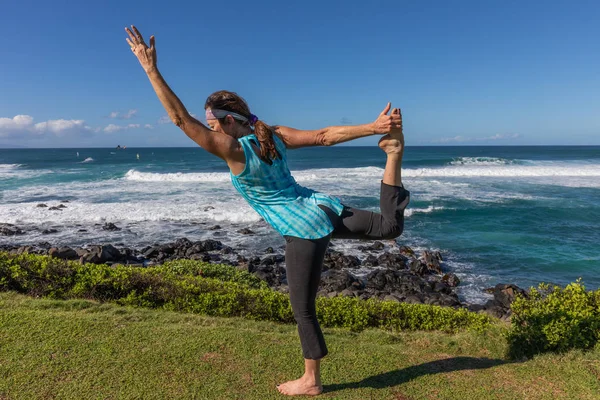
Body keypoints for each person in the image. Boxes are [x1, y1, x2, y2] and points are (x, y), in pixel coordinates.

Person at [125, 25, 409, 397]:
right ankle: (393, 154)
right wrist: (372, 128)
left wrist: (151, 70)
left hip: (303, 226)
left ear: (228, 121)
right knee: (389, 228)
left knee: (303, 309)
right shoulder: (272, 133)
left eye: (213, 124)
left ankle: (311, 381)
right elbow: (324, 136)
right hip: (322, 206)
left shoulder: (234, 149)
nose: (212, 130)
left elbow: (180, 120)